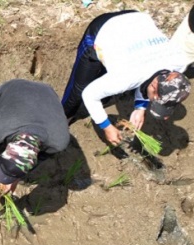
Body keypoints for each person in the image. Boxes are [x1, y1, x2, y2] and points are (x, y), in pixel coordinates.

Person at [61, 10, 190, 146]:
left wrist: (140, 108)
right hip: (104, 28)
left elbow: (149, 78)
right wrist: (107, 126)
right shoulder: (126, 78)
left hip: (137, 21)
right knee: (79, 89)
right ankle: (63, 117)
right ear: (153, 87)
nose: (153, 102)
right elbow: (89, 94)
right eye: (155, 100)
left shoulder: (179, 64)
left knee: (110, 73)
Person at [0, 79, 70, 202]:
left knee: (0, 153)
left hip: (46, 97)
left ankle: (2, 166)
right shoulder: (0, 127)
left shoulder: (59, 142)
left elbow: (40, 157)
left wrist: (16, 179)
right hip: (12, 91)